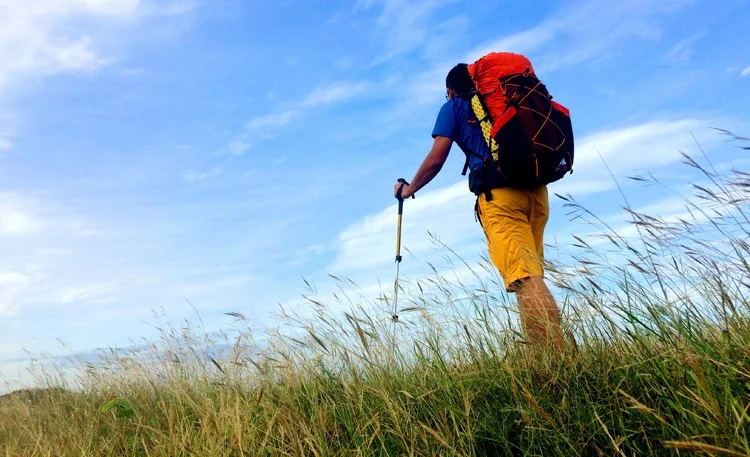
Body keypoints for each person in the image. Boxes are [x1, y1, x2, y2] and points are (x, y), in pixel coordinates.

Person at [393, 59, 564, 350]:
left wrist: (408, 190)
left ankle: (559, 362)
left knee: (524, 278)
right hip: (537, 192)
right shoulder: (506, 103)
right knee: (529, 277)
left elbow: (437, 159)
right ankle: (541, 359)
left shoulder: (454, 108)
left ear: (450, 90)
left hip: (500, 197)